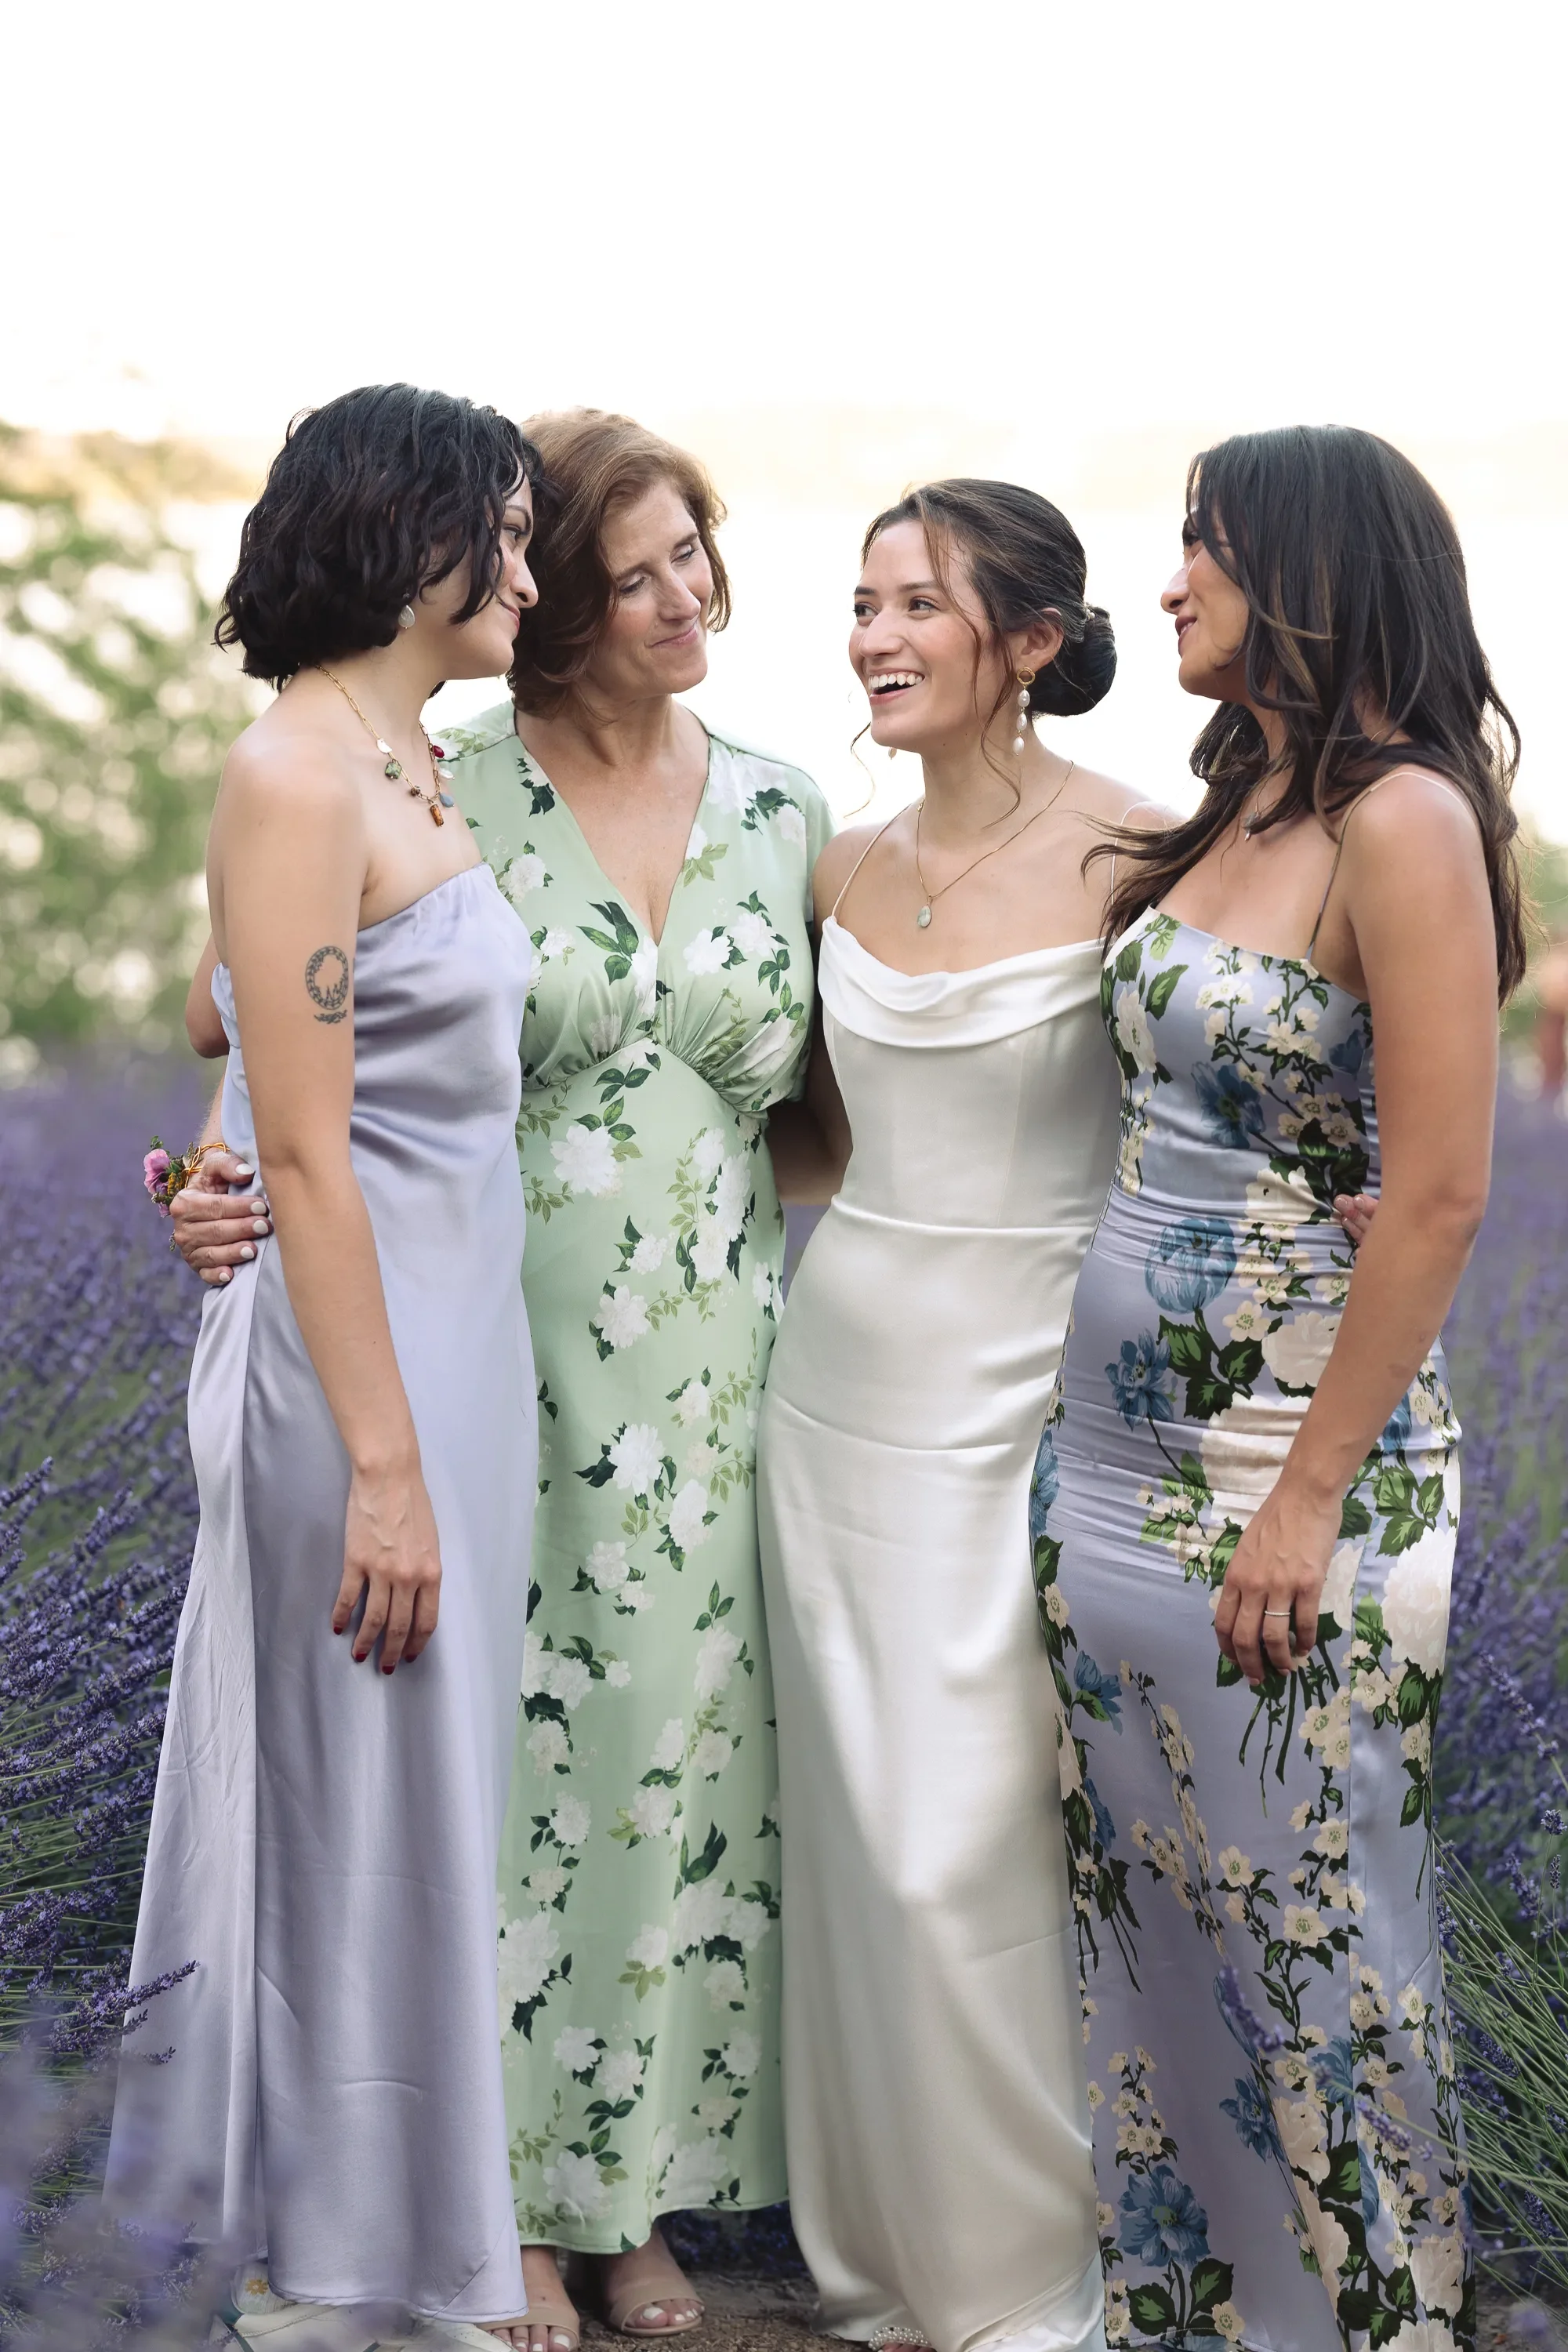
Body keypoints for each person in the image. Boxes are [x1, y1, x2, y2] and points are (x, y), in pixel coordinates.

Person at [172, 410, 833, 2352]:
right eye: (582, 560)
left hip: (696, 1363)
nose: (652, 592)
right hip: (462, 1349)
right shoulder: (398, 771)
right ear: (453, 561)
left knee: (665, 1766)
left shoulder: (763, 806)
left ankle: (609, 2187)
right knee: (479, 1776)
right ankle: (455, 2218)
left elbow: (845, 1101)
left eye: (676, 552)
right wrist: (223, 1196)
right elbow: (276, 1076)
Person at [1033, 425, 1521, 2351]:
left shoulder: (1400, 820)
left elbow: (1445, 1188)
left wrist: (1304, 1497)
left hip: (1293, 1467)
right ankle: (1189, 2314)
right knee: (1143, 1918)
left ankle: (1373, 2324)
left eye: (1201, 550)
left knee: (1318, 1920)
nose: (1168, 584)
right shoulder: (1236, 796)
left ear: (1305, 572)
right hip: (1110, 1464)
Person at [107, 385, 545, 2344]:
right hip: (356, 1374)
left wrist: (213, 1151)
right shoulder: (297, 770)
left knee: (426, 1794)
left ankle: (415, 2235)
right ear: (415, 539)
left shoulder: (415, 766)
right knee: (347, 1787)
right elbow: (295, 1144)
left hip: (459, 1343)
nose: (529, 577)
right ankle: (337, 2257)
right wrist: (380, 1460)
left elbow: (245, 1042)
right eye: (508, 541)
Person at [756, 479, 1152, 2352]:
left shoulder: (1145, 856)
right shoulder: (833, 862)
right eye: (859, 602)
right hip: (831, 1383)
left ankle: (1021, 2272)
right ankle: (881, 2269)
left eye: (917, 603)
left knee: (972, 1840)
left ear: (1033, 642)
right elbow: (805, 1136)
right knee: (849, 1835)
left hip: (1027, 1387)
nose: (873, 636)